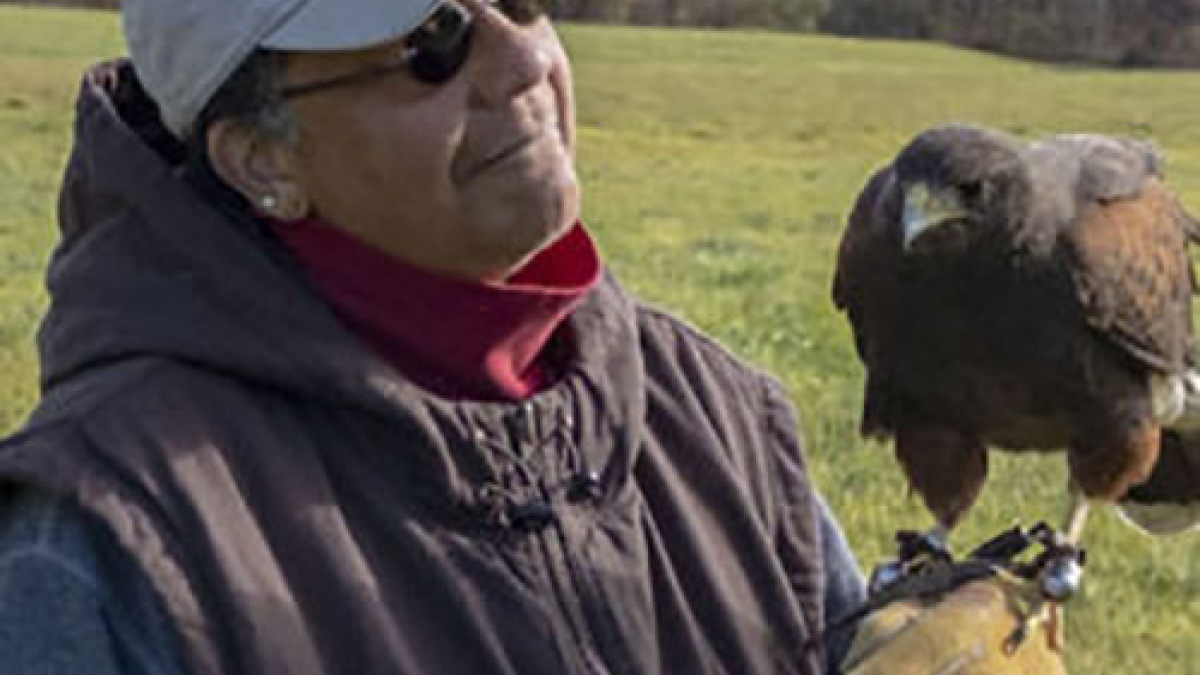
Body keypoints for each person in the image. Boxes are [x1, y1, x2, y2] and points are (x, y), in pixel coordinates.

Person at [0, 0, 866, 673]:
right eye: (433, 43)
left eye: (521, 3)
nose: (525, 62)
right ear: (263, 158)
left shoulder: (722, 420)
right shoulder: (111, 543)